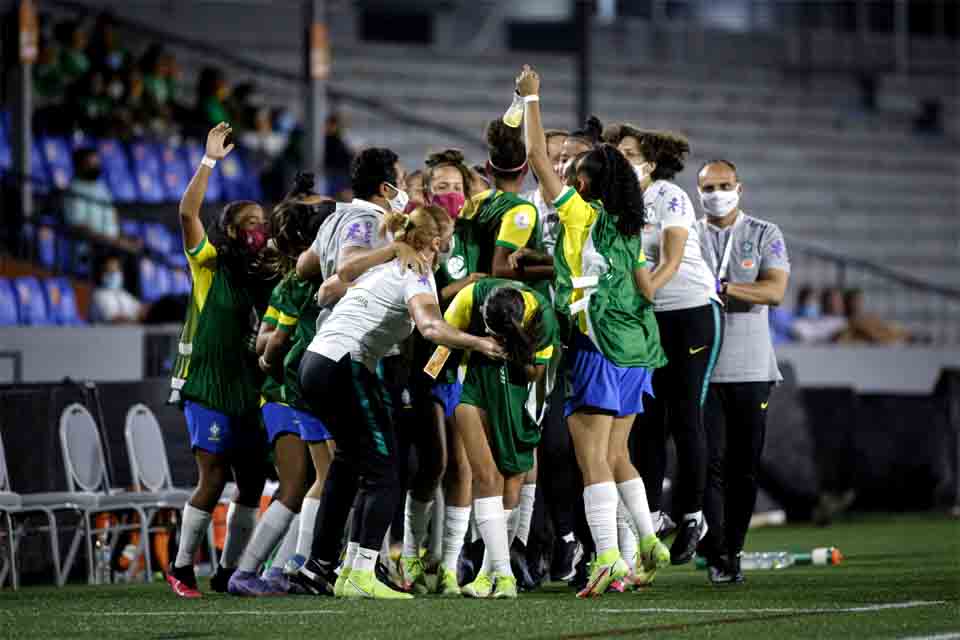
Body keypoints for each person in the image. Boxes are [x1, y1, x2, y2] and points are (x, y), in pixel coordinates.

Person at [297, 205, 505, 599]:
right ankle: (361, 573)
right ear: (436, 243)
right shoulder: (417, 272)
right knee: (386, 471)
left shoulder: (383, 265)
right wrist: (480, 343)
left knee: (352, 461)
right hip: (346, 364)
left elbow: (331, 286)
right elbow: (430, 327)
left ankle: (335, 568)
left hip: (316, 361)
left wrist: (390, 252)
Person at [518, 64, 670, 598]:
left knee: (591, 460)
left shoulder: (580, 215)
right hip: (638, 347)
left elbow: (536, 158)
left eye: (574, 172)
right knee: (618, 455)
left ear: (583, 183)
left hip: (596, 342)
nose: (566, 176)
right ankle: (648, 539)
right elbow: (644, 286)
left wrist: (531, 99)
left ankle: (606, 555)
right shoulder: (629, 226)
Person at [289, 147, 426, 595]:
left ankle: (322, 564)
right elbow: (346, 268)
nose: (405, 190)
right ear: (386, 187)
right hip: (356, 348)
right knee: (381, 464)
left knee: (349, 461)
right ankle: (364, 566)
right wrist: (390, 252)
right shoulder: (368, 220)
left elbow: (304, 266)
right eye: (400, 182)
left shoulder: (335, 216)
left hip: (328, 348)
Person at [165, 123, 278, 598]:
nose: (259, 230)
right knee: (211, 478)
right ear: (231, 229)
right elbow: (187, 212)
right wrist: (209, 161)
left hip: (247, 387)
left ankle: (229, 569)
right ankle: (180, 566)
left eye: (262, 223)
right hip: (207, 383)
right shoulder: (207, 263)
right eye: (250, 223)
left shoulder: (265, 275)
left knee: (251, 484)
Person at [604, 123, 723, 569]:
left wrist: (640, 295)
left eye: (630, 153)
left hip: (689, 310)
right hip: (647, 318)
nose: (622, 159)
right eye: (617, 153)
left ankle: (692, 514)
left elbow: (671, 260)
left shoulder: (668, 196)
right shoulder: (612, 202)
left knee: (686, 416)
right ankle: (652, 514)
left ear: (650, 164)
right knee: (647, 421)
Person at [226, 175, 337, 596]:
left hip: (293, 389)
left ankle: (281, 569)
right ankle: (254, 571)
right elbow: (264, 344)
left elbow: (265, 344)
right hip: (285, 393)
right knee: (297, 486)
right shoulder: (300, 284)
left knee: (314, 483)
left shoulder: (294, 281)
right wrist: (277, 353)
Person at [694, 159, 791, 584]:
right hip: (702, 368)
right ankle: (718, 551)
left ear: (739, 188)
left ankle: (733, 546)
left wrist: (723, 289)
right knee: (708, 463)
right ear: (698, 192)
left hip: (752, 368)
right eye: (708, 187)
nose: (717, 194)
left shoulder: (765, 233)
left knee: (744, 466)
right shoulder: (688, 234)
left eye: (724, 185)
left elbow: (775, 290)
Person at [396, 148, 478, 596]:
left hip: (462, 363)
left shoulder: (473, 235)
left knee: (461, 466)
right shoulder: (413, 240)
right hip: (424, 363)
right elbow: (421, 298)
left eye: (457, 187)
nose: (450, 194)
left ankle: (448, 564)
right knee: (434, 462)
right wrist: (462, 286)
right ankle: (410, 556)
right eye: (442, 187)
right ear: (427, 194)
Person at [449, 279, 561, 600]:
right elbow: (438, 331)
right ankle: (505, 575)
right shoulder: (473, 295)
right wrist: (476, 342)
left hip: (519, 391)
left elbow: (536, 374)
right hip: (473, 381)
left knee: (512, 478)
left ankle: (489, 574)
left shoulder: (544, 317)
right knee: (487, 477)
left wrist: (513, 352)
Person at [89, 255, 142, 324]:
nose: (113, 274)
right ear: (102, 274)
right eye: (109, 271)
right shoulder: (98, 295)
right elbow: (115, 320)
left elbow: (141, 310)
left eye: (116, 271)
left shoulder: (124, 294)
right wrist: (136, 319)